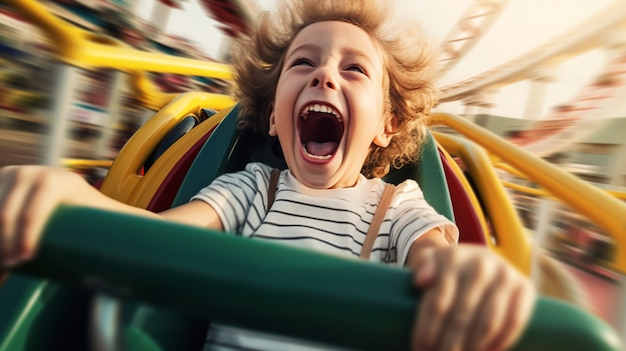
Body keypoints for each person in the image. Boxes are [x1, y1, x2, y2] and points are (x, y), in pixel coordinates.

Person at [0, 0, 535, 350]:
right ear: (276, 118)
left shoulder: (396, 206)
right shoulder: (252, 189)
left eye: (354, 69)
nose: (325, 72)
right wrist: (72, 198)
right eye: (303, 64)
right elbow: (159, 237)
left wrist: (466, 274)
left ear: (387, 125)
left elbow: (437, 262)